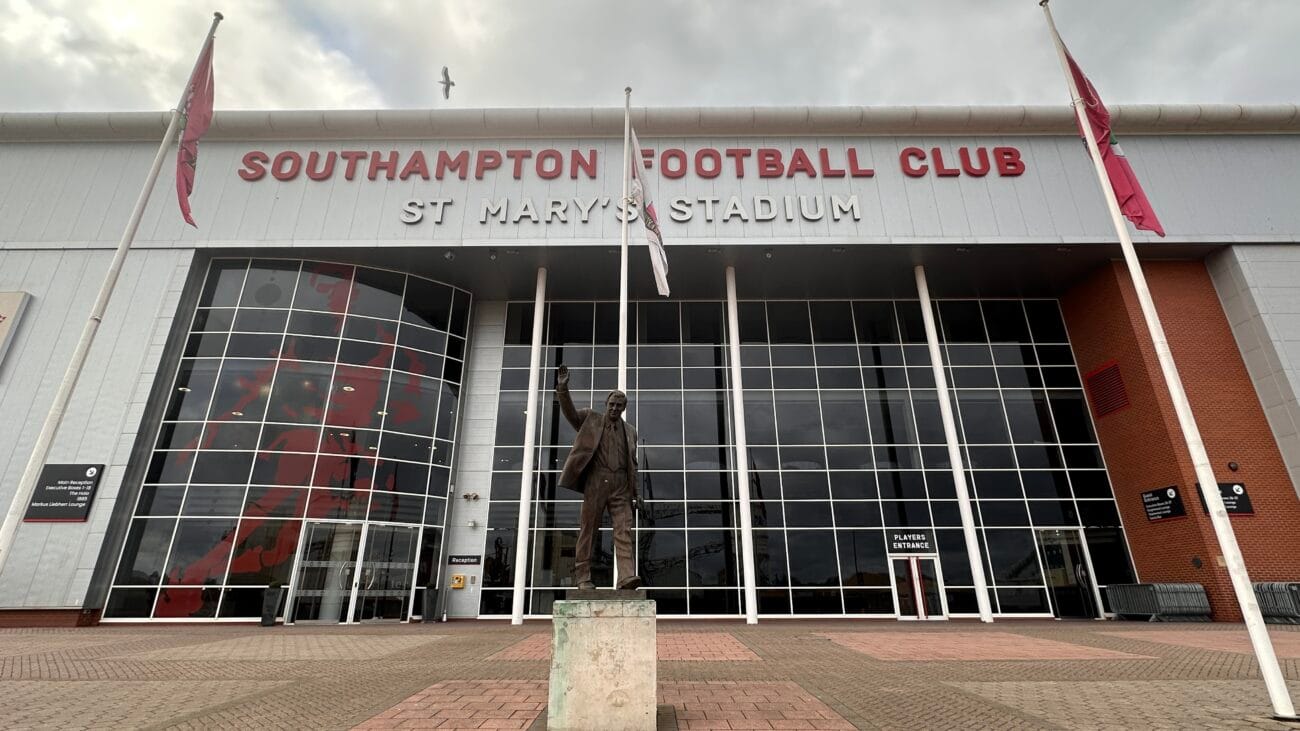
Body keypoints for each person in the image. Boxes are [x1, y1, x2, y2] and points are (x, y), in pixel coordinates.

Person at [555, 365, 643, 590]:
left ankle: (626, 577)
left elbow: (633, 464)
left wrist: (636, 493)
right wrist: (563, 390)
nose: (614, 408)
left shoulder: (630, 431)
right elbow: (571, 415)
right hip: (597, 482)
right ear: (606, 404)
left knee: (623, 530)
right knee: (588, 529)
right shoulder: (590, 419)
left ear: (624, 408)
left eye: (619, 405)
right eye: (612, 404)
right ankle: (583, 577)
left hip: (621, 485)